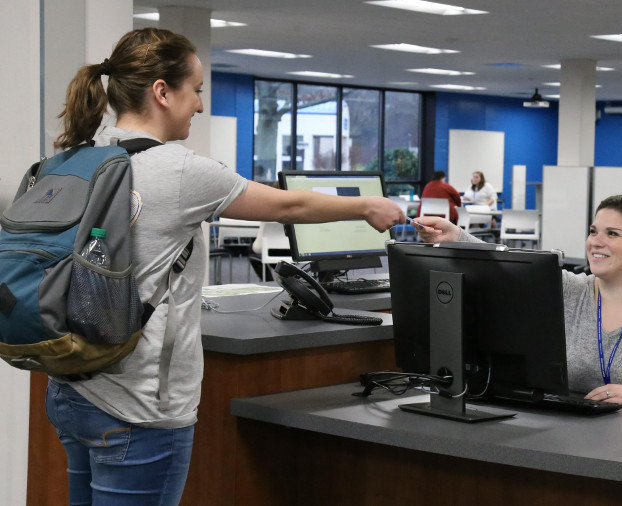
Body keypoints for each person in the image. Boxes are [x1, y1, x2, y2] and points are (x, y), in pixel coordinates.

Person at [45, 28, 404, 506]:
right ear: (162, 92)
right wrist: (366, 207)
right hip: (139, 404)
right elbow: (289, 207)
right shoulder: (179, 170)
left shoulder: (79, 156)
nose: (198, 105)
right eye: (195, 91)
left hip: (72, 388)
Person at [415, 194, 622, 407]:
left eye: (613, 234)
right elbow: (509, 267)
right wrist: (456, 237)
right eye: (593, 231)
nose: (596, 242)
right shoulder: (571, 290)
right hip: (578, 432)